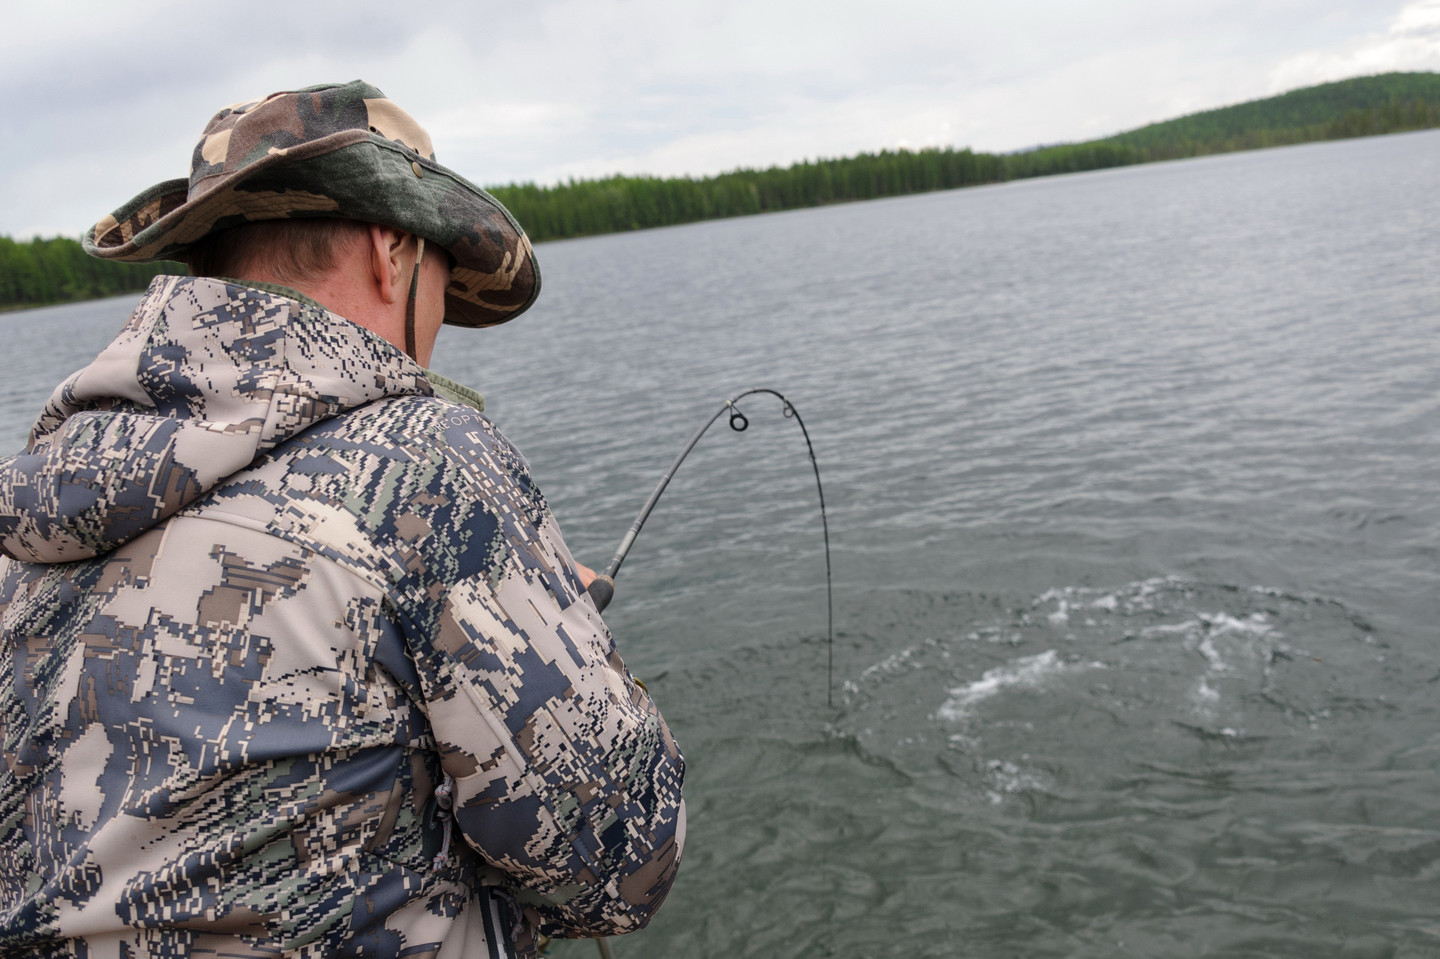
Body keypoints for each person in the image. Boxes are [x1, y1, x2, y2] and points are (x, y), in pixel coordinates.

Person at [0, 81, 684, 959]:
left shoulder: (43, 492)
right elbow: (626, 860)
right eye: (439, 277)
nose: (439, 319)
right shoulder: (424, 464)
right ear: (392, 250)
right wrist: (560, 639)